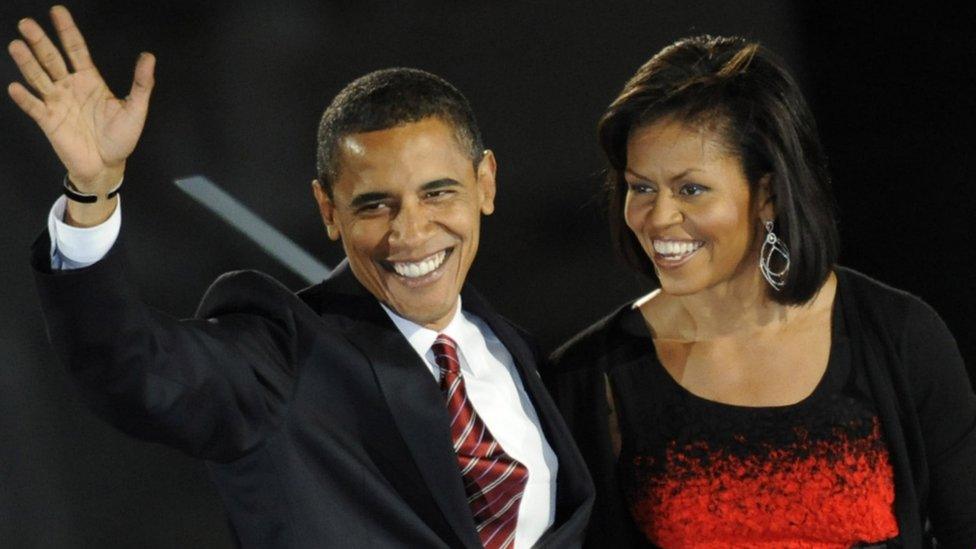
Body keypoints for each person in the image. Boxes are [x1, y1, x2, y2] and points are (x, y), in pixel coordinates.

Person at [9, 6, 593, 548]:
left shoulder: (524, 357)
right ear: (328, 211)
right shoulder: (282, 352)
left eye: (437, 193)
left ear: (485, 183)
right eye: (374, 205)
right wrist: (92, 191)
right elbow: (133, 367)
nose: (410, 233)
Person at [545, 35, 976, 548]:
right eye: (642, 188)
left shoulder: (898, 336)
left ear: (767, 194)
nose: (658, 217)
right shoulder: (589, 379)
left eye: (691, 189)